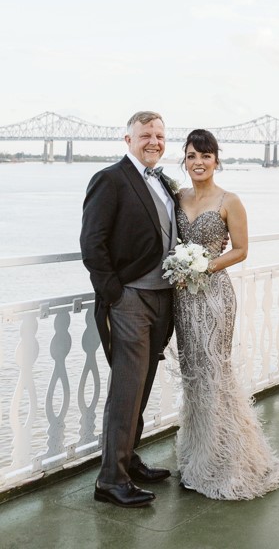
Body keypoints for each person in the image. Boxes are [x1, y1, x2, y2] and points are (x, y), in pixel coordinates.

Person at [173, 128, 279, 500]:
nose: (199, 162)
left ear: (216, 160)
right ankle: (198, 454)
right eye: (192, 156)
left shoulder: (229, 200)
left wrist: (204, 267)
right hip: (183, 298)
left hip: (213, 295)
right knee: (193, 372)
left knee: (214, 370)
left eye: (206, 156)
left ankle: (231, 460)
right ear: (185, 160)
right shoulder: (178, 196)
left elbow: (241, 250)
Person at [80, 111, 177, 508]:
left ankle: (127, 459)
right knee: (126, 389)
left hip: (162, 300)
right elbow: (92, 242)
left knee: (143, 385)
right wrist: (116, 295)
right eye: (145, 135)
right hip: (131, 301)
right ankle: (110, 481)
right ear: (127, 139)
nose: (153, 141)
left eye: (159, 135)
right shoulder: (110, 179)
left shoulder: (164, 182)